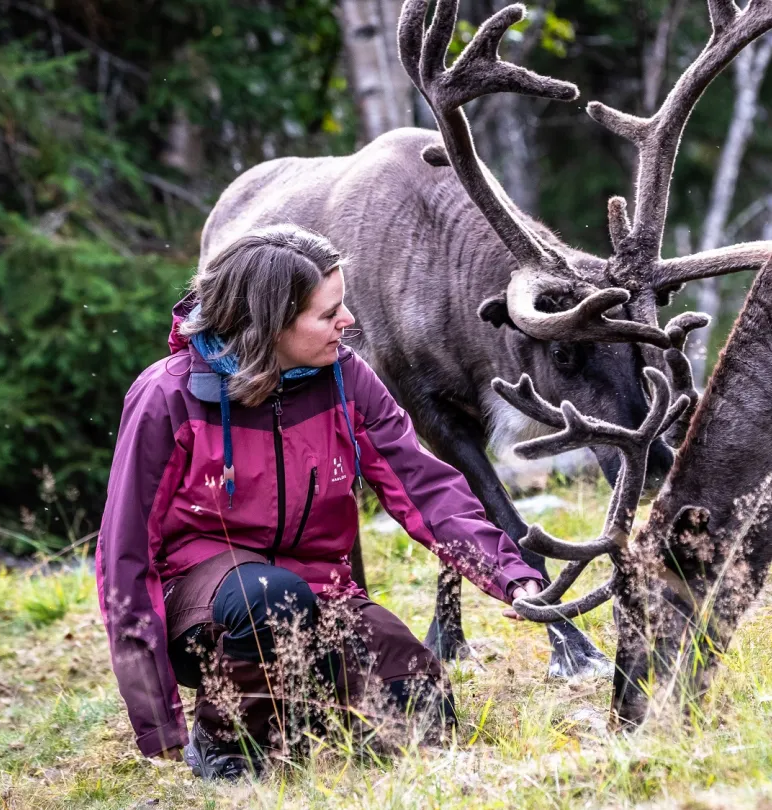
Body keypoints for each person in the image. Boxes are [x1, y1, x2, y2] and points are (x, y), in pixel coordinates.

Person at [97, 224, 544, 780]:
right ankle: (229, 747)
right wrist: (156, 719)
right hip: (206, 606)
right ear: (268, 325)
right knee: (271, 600)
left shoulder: (348, 379)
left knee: (421, 705)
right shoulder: (166, 396)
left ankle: (302, 709)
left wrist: (510, 574)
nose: (348, 321)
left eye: (343, 304)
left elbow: (423, 487)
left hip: (321, 592)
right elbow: (124, 557)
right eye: (327, 313)